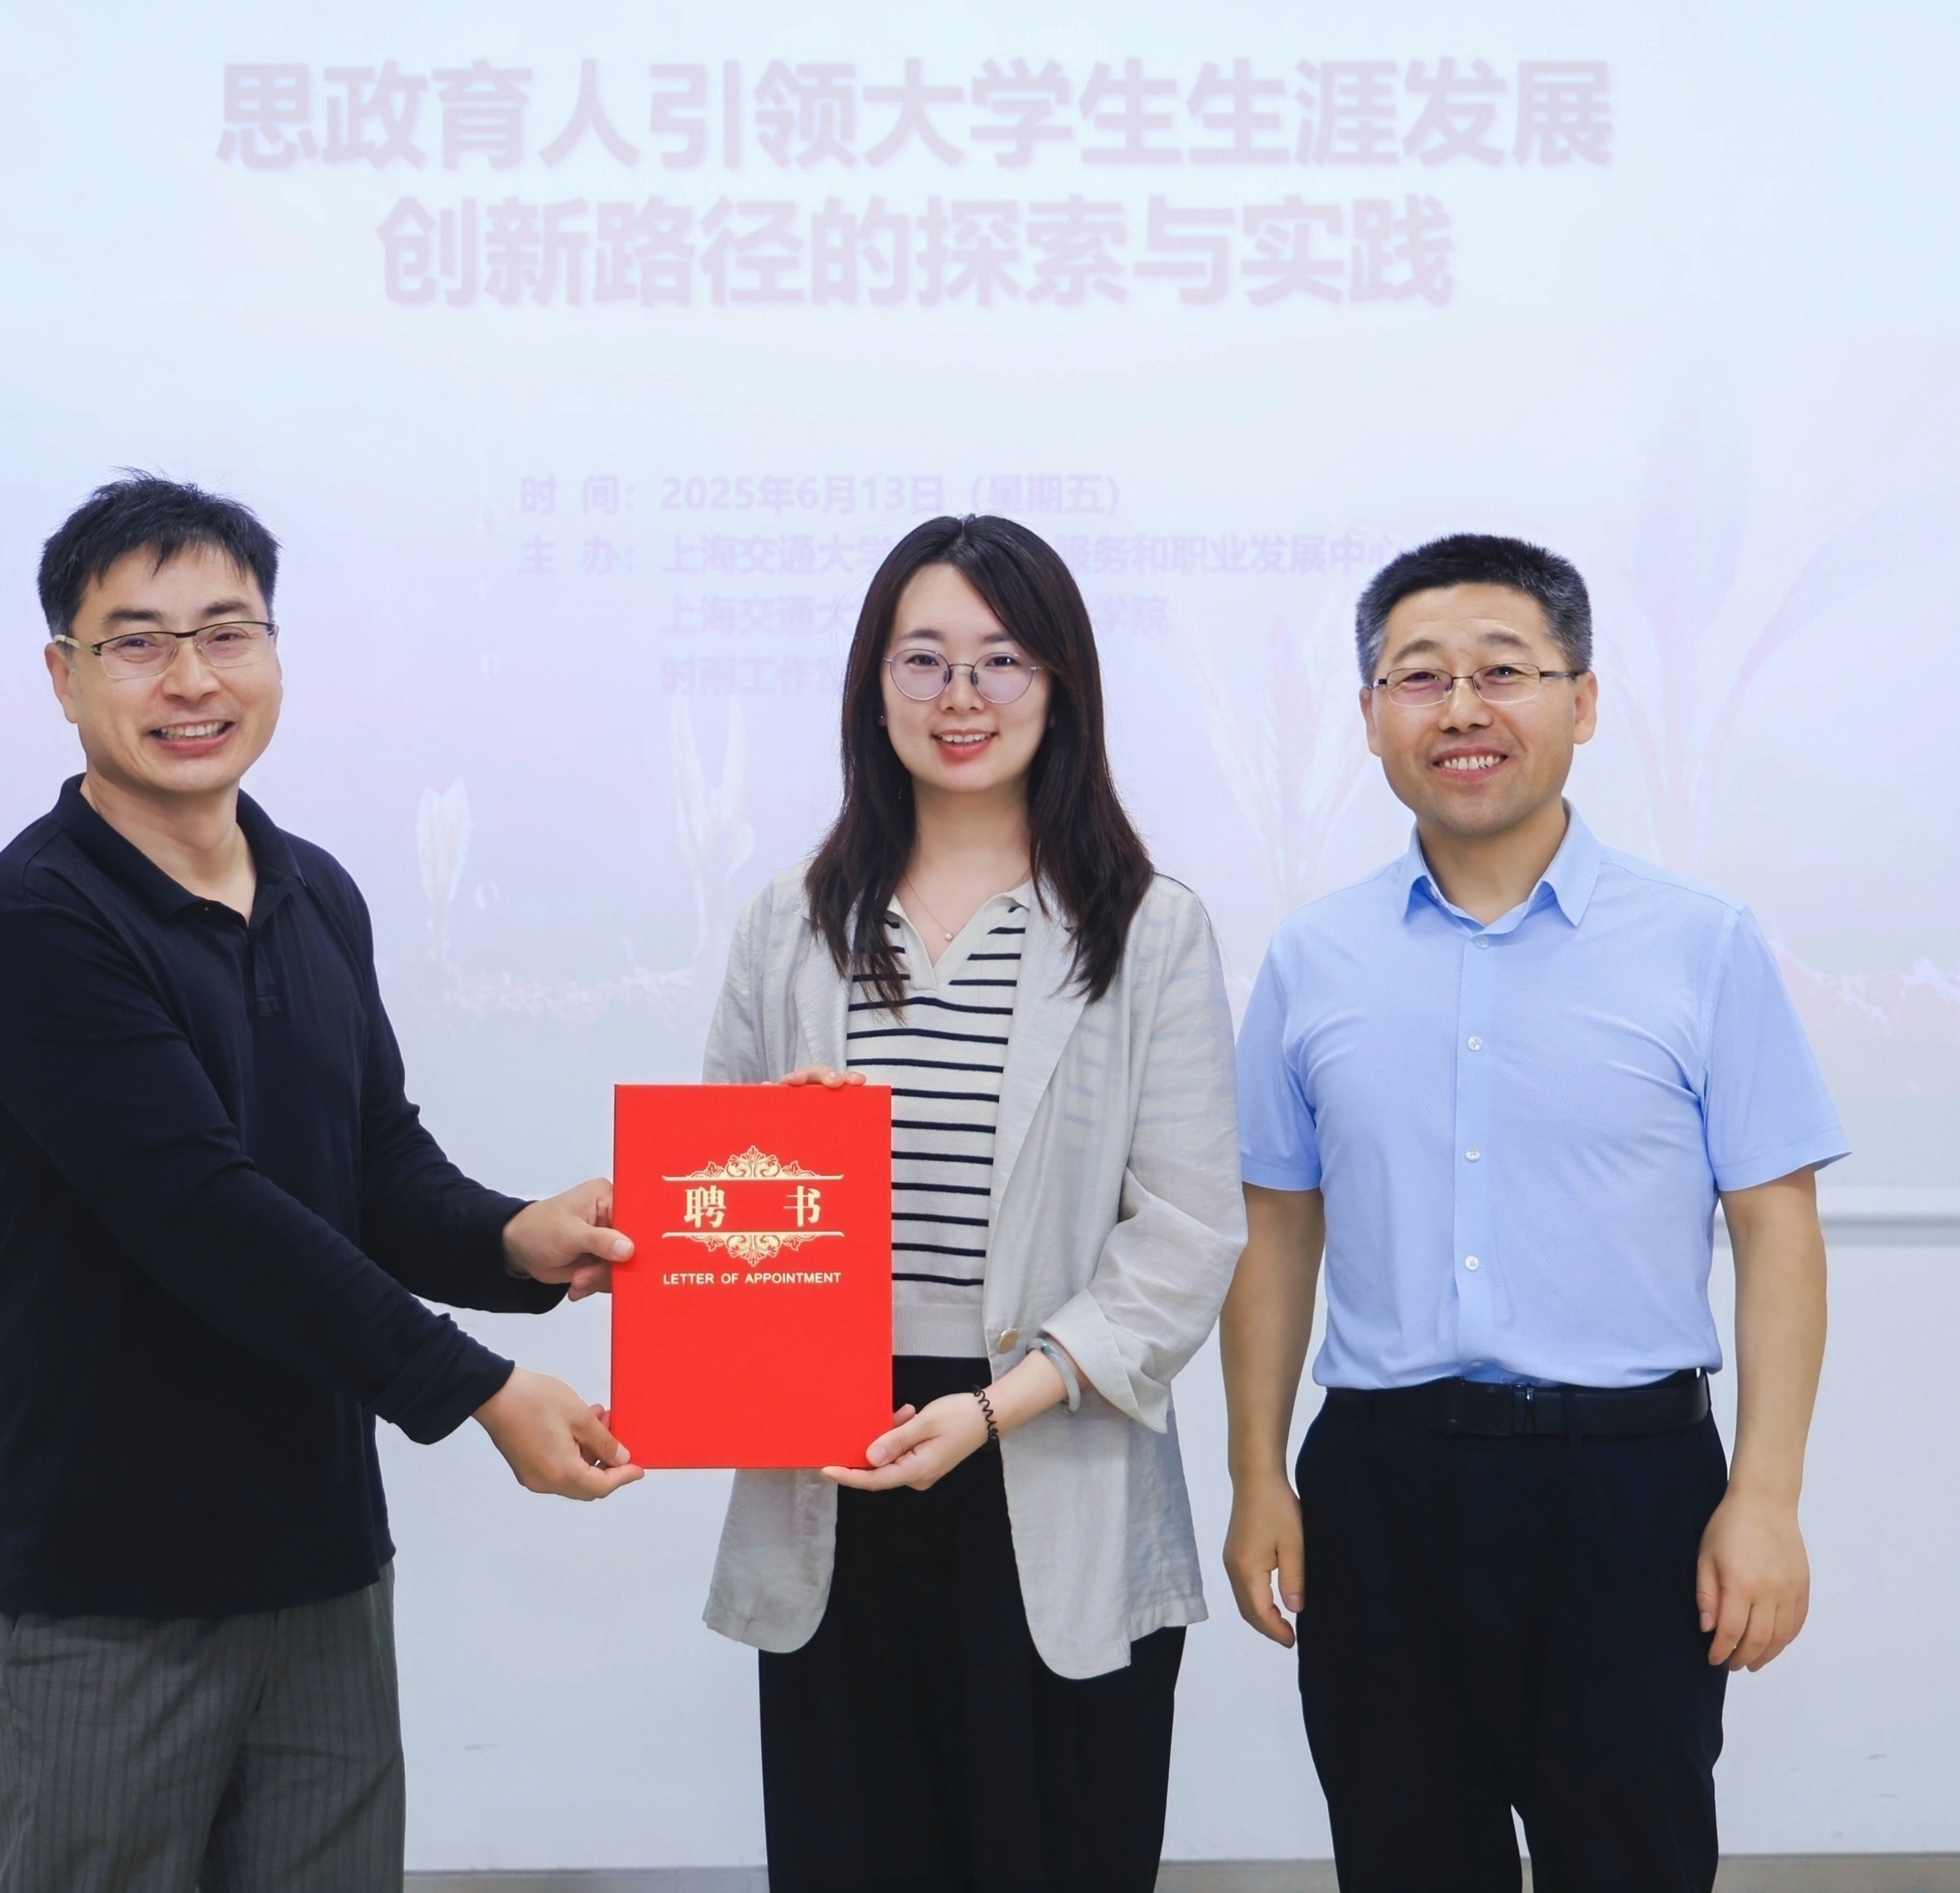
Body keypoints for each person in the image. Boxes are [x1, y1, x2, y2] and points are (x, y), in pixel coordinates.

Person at [0, 473, 639, 1893]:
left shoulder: (314, 889)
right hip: (110, 1586)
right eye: (137, 643)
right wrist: (481, 1391)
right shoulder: (35, 918)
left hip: (321, 1566)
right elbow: (209, 1218)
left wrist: (516, 1238)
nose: (191, 680)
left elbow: (369, 1166)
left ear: (271, 651)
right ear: (63, 678)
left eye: (227, 633)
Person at [1220, 533, 1842, 1893]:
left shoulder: (1699, 942)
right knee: (1402, 1860)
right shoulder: (1313, 956)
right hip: (1379, 1486)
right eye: (1418, 676)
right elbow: (1274, 1230)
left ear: (1583, 700)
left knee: (1630, 1859)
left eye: (1502, 671)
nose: (1460, 709)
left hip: (1627, 1490)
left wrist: (1764, 1498)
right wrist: (1256, 1474)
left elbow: (1776, 1228)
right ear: (1370, 715)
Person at [699, 514, 1244, 1892]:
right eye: (922, 659)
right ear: (871, 685)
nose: (960, 697)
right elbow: (718, 1208)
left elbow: (1186, 1237)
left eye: (1001, 660)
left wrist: (995, 1409)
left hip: (1046, 1441)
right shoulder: (790, 921)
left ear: (1059, 686)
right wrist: (777, 1153)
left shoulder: (1147, 927)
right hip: (834, 1462)